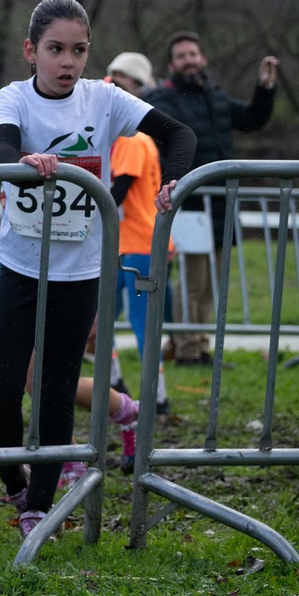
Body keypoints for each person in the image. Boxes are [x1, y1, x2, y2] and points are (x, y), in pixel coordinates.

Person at [0, 0, 194, 539]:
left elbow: (179, 135)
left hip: (80, 274)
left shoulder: (105, 100)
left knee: (55, 390)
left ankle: (39, 507)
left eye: (78, 51)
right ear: (32, 51)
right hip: (20, 265)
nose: (67, 63)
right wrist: (21, 162)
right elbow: (2, 146)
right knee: (1, 397)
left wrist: (173, 177)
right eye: (55, 50)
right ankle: (15, 482)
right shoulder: (12, 98)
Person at [143, 32, 278, 366]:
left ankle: (203, 347)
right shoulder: (164, 99)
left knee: (213, 282)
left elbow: (251, 120)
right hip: (188, 201)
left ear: (202, 58)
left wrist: (264, 89)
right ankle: (187, 350)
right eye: (181, 55)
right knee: (192, 280)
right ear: (172, 64)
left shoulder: (216, 97)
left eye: (193, 53)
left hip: (221, 202)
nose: (189, 60)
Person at [105, 52, 170, 424]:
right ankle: (116, 383)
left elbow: (116, 192)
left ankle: (155, 397)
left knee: (144, 326)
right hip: (126, 244)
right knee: (104, 318)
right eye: (111, 77)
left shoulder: (132, 136)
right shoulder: (129, 134)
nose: (112, 84)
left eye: (122, 80)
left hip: (138, 245)